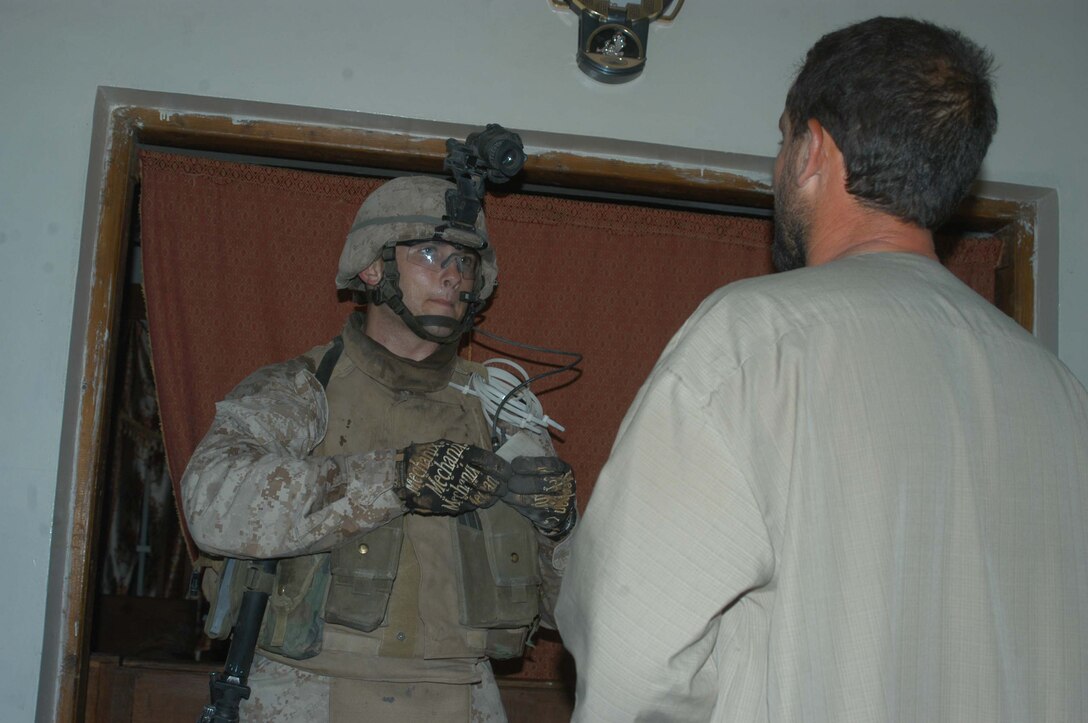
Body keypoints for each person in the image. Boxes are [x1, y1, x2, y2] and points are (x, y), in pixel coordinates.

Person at [555, 16, 1088, 722]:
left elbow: (633, 657)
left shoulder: (751, 344)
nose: (779, 163)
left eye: (783, 138)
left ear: (811, 151)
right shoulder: (1060, 392)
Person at [181, 174, 577, 722]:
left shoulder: (503, 412)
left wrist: (562, 535)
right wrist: (395, 479)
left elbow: (573, 615)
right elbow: (212, 501)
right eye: (430, 254)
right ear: (373, 268)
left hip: (463, 697)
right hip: (307, 692)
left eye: (464, 263)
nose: (452, 275)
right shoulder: (303, 388)